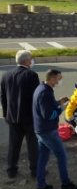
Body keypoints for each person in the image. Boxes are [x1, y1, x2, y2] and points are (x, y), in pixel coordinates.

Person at [33, 69, 77, 189]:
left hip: (40, 129)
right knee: (62, 156)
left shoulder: (41, 88)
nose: (60, 81)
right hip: (48, 131)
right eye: (59, 78)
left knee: (43, 157)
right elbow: (48, 115)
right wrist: (61, 108)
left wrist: (58, 102)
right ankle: (66, 183)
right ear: (52, 78)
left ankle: (41, 185)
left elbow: (46, 106)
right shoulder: (45, 93)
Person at [0, 50, 40, 179]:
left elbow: (3, 98)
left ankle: (11, 170)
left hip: (12, 117)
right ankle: (35, 170)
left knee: (14, 145)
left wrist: (6, 114)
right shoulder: (32, 75)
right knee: (32, 145)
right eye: (31, 59)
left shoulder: (6, 75)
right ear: (27, 60)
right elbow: (36, 98)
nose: (32, 61)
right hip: (29, 117)